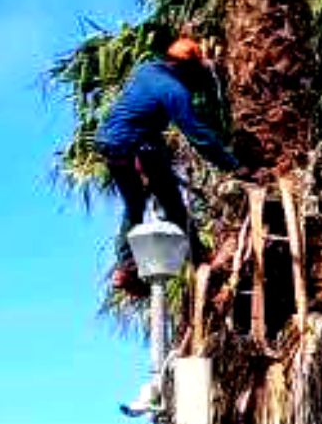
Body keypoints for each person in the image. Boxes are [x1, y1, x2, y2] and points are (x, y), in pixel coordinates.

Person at [96, 37, 253, 293]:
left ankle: (125, 268)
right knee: (172, 203)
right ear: (186, 68)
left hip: (110, 143)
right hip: (138, 146)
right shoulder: (173, 90)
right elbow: (197, 135)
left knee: (134, 205)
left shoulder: (146, 69)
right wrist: (234, 166)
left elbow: (142, 110)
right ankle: (201, 259)